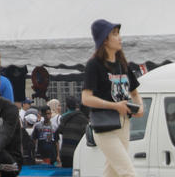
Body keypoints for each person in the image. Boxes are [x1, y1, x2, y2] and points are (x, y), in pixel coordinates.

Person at [81, 21, 143, 177]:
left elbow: (135, 92)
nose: (119, 37)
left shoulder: (122, 64)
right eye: (114, 34)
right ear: (105, 40)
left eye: (118, 33)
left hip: (124, 123)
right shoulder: (94, 65)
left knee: (113, 173)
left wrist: (140, 107)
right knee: (128, 172)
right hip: (105, 126)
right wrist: (114, 106)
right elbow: (86, 98)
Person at [56, 96, 88, 167]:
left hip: (64, 152)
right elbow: (86, 136)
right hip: (77, 153)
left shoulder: (64, 118)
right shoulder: (83, 119)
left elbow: (58, 132)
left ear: (67, 106)